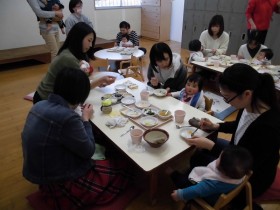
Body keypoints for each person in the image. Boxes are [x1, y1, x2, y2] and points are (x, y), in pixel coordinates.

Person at [173, 63, 280, 209]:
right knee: (198, 156)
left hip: (248, 175)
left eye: (227, 98)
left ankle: (186, 186)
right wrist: (215, 126)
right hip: (235, 152)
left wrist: (210, 145)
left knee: (189, 181)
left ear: (247, 93)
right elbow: (239, 125)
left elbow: (242, 165)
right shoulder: (250, 105)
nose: (226, 102)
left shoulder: (269, 128)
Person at [22, 68, 132, 210]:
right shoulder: (67, 117)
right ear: (79, 94)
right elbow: (88, 151)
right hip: (60, 180)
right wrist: (85, 119)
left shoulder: (39, 105)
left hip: (40, 175)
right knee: (123, 168)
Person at [33, 22, 116, 104]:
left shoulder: (73, 53)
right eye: (89, 40)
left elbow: (83, 81)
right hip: (45, 99)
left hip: (52, 95)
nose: (91, 45)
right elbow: (80, 89)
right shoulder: (68, 58)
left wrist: (98, 82)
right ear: (78, 38)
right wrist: (100, 80)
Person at [170, 146, 252, 206]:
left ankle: (171, 173)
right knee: (199, 157)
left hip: (208, 197)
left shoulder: (213, 184)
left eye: (219, 158)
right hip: (221, 189)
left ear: (222, 171)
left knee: (182, 181)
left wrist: (180, 194)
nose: (218, 158)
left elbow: (196, 190)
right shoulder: (241, 171)